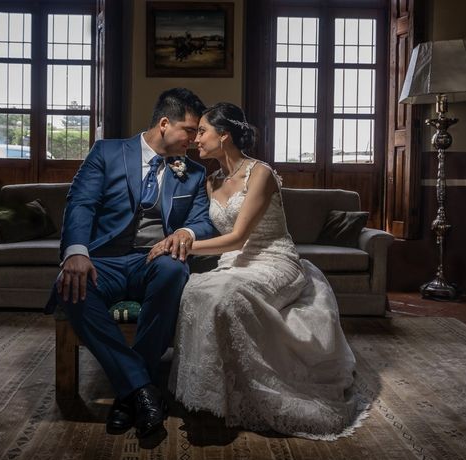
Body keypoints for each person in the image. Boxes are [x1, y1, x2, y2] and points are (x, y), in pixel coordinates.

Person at [147, 102, 368, 440]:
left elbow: (236, 239)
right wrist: (179, 235)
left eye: (202, 131)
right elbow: (205, 230)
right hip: (232, 265)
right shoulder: (210, 182)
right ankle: (207, 397)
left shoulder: (260, 173)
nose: (196, 139)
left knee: (227, 296)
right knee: (195, 290)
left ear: (224, 135)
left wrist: (177, 244)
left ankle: (253, 394)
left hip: (274, 260)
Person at [47, 88, 215, 438]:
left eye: (199, 132)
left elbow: (203, 221)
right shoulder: (106, 152)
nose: (195, 139)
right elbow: (81, 203)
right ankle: (140, 389)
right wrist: (77, 251)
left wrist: (183, 231)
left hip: (151, 260)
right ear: (165, 124)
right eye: (189, 130)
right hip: (103, 260)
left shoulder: (195, 173)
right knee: (70, 286)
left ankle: (129, 394)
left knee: (173, 270)